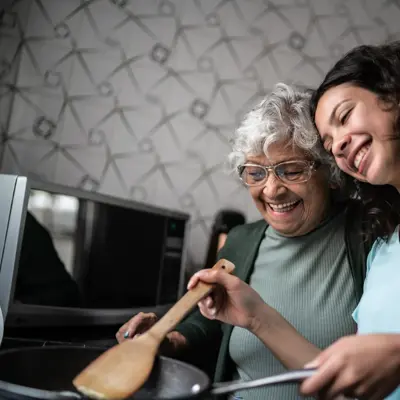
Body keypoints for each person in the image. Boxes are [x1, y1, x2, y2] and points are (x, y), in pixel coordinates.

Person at [117, 84, 376, 399]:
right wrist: (168, 340)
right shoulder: (240, 241)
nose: (271, 191)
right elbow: (211, 321)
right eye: (256, 173)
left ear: (330, 170)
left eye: (291, 171)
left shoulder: (369, 235)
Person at [299, 41, 400, 400]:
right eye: (329, 145)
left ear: (391, 92)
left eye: (344, 117)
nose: (339, 144)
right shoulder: (383, 244)